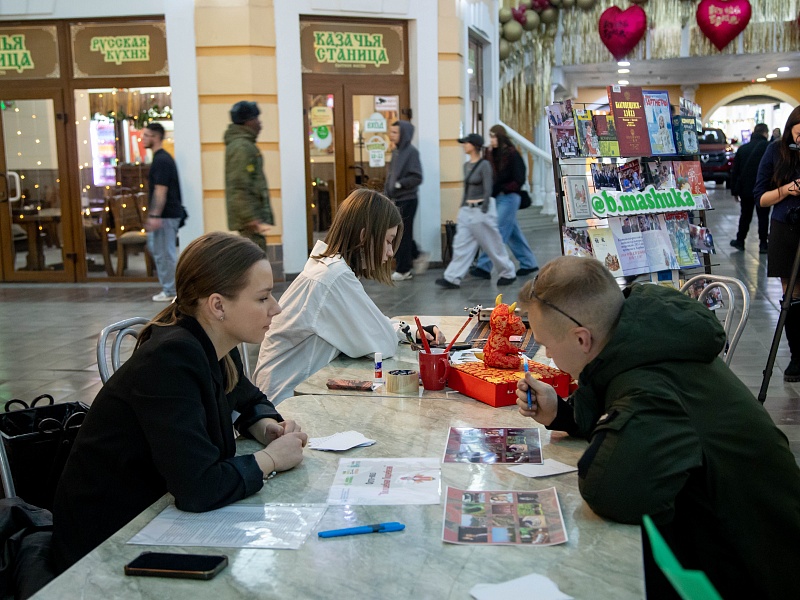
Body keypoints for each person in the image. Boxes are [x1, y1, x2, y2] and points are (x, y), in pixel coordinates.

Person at [514, 256, 800, 599]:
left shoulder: (649, 387)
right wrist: (562, 414)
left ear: (581, 339)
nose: (548, 355)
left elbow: (613, 491)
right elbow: (617, 402)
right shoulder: (645, 337)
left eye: (547, 344)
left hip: (757, 571)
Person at [52, 232, 308, 572]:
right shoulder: (171, 359)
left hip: (155, 516)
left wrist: (266, 427)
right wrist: (270, 459)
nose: (276, 307)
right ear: (218, 305)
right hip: (104, 544)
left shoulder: (213, 342)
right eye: (263, 298)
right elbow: (198, 487)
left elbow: (249, 399)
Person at [254, 188, 441, 404]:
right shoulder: (333, 277)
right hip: (286, 404)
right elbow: (382, 344)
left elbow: (369, 324)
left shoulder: (329, 268)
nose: (391, 252)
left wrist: (412, 332)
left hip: (285, 394)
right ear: (364, 236)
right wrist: (404, 333)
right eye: (388, 241)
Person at [436, 133, 516, 289]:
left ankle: (508, 273)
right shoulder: (466, 166)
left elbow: (488, 188)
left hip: (482, 209)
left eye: (466, 143)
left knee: (492, 244)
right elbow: (466, 189)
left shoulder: (484, 165)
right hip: (467, 210)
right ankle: (452, 277)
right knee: (461, 245)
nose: (464, 146)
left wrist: (484, 208)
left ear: (474, 146)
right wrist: (462, 207)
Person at [755, 106, 800, 381]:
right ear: (790, 128)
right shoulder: (775, 151)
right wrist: (789, 189)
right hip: (786, 228)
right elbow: (760, 197)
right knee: (792, 295)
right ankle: (797, 356)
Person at [470, 125, 538, 281]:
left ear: (501, 137)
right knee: (513, 233)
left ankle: (484, 266)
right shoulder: (490, 154)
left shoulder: (512, 154)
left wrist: (502, 188)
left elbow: (519, 178)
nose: (492, 140)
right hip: (496, 197)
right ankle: (529, 263)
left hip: (510, 197)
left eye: (494, 137)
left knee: (496, 231)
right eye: (490, 136)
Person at [142, 122, 183, 302]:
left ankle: (171, 290)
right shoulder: (162, 158)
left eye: (146, 135)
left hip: (165, 215)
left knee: (164, 254)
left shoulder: (161, 160)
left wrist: (155, 215)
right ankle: (170, 288)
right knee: (159, 251)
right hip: (166, 215)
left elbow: (160, 190)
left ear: (155, 137)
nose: (143, 139)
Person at [225, 101, 273, 251]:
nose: (260, 124)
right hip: (248, 221)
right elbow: (238, 185)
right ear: (248, 121)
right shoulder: (242, 147)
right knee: (255, 256)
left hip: (250, 219)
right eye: (256, 118)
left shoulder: (244, 145)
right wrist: (250, 218)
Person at [384, 120, 426, 281]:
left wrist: (400, 184)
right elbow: (391, 175)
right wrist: (387, 191)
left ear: (404, 134)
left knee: (402, 234)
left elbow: (417, 176)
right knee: (402, 233)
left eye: (395, 132)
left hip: (408, 199)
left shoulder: (411, 152)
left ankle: (403, 269)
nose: (391, 135)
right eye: (391, 131)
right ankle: (417, 254)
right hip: (396, 199)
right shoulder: (396, 152)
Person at [730, 123, 771, 253]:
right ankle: (763, 244)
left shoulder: (743, 149)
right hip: (764, 189)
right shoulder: (769, 148)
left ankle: (740, 241)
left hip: (746, 189)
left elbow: (735, 171)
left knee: (745, 216)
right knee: (763, 217)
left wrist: (734, 191)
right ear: (765, 133)